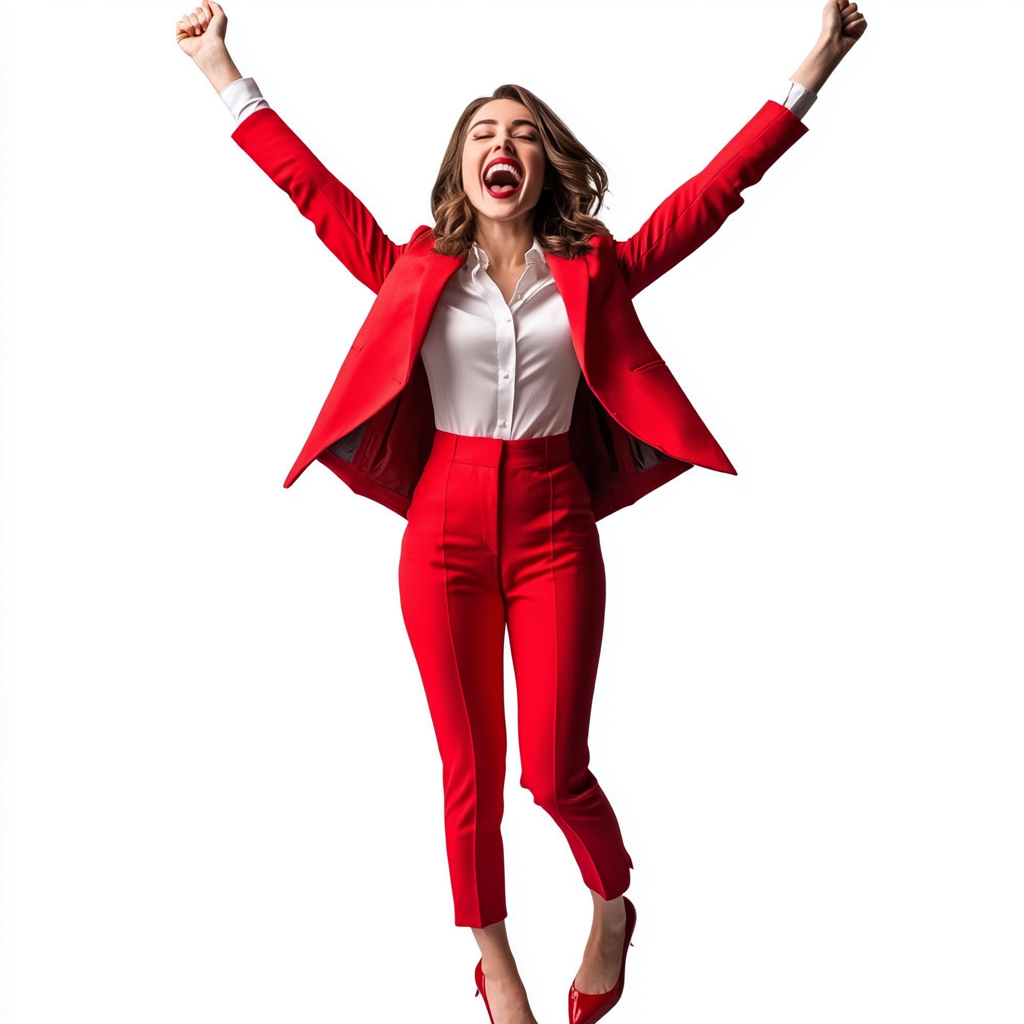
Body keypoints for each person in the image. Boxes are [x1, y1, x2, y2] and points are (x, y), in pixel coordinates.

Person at [175, 3, 867, 1021]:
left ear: (547, 164)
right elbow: (309, 193)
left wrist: (817, 62)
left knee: (552, 768)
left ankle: (611, 901)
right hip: (441, 530)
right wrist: (219, 66)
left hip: (554, 528)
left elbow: (718, 190)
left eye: (525, 133)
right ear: (460, 167)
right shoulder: (412, 268)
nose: (504, 145)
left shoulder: (596, 268)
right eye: (484, 134)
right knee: (469, 769)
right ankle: (493, 958)